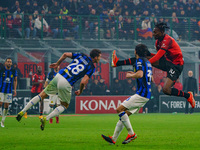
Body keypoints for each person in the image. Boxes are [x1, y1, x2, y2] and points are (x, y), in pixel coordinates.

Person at [111, 22, 195, 109]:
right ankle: (117, 63)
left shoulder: (167, 40)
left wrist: (146, 64)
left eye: (155, 32)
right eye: (153, 32)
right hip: (167, 62)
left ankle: (188, 95)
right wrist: (146, 54)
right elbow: (158, 56)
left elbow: (158, 55)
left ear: (162, 32)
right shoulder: (157, 42)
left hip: (176, 65)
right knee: (142, 56)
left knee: (166, 90)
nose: (153, 34)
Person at [16, 49, 101, 131]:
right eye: (99, 57)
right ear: (96, 57)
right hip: (67, 82)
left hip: (59, 75)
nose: (100, 59)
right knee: (64, 105)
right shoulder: (91, 67)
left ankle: (22, 111)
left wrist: (57, 63)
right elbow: (83, 82)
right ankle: (46, 118)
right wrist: (81, 90)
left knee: (41, 95)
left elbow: (65, 54)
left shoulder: (82, 55)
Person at [102, 44, 152, 144]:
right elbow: (133, 63)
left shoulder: (140, 61)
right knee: (124, 116)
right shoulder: (147, 61)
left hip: (142, 94)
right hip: (146, 94)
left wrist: (130, 75)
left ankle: (131, 134)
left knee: (119, 109)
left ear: (136, 51)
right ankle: (113, 139)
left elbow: (140, 74)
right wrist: (116, 62)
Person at [0, 58, 17, 127]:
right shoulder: (1, 69)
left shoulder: (13, 71)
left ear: (11, 63)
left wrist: (15, 90)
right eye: (8, 62)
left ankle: (3, 121)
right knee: (0, 103)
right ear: (5, 63)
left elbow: (15, 80)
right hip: (1, 89)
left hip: (9, 91)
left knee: (6, 105)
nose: (9, 63)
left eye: (10, 62)